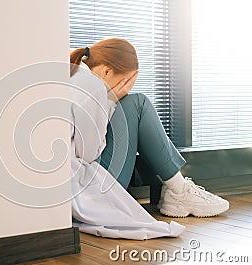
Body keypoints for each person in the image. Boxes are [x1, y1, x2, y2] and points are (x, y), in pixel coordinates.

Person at [69, 38, 229, 239]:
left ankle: (178, 190)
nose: (123, 90)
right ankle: (179, 191)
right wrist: (110, 100)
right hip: (84, 190)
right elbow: (88, 154)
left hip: (76, 181)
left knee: (133, 103)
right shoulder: (91, 86)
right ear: (107, 71)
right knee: (138, 103)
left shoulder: (74, 72)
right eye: (123, 83)